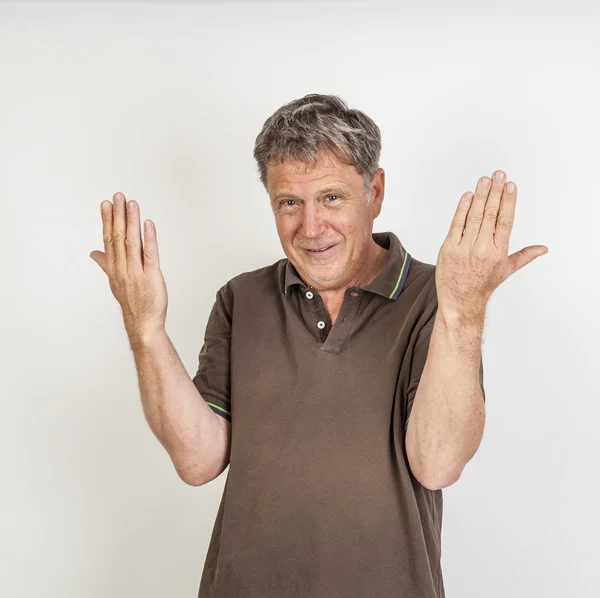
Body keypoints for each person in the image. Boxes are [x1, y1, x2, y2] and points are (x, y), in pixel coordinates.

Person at [90, 93, 548, 598]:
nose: (311, 228)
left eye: (332, 198)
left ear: (374, 192)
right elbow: (198, 460)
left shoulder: (437, 297)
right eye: (290, 202)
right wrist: (145, 328)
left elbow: (438, 462)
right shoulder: (242, 298)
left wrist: (464, 311)